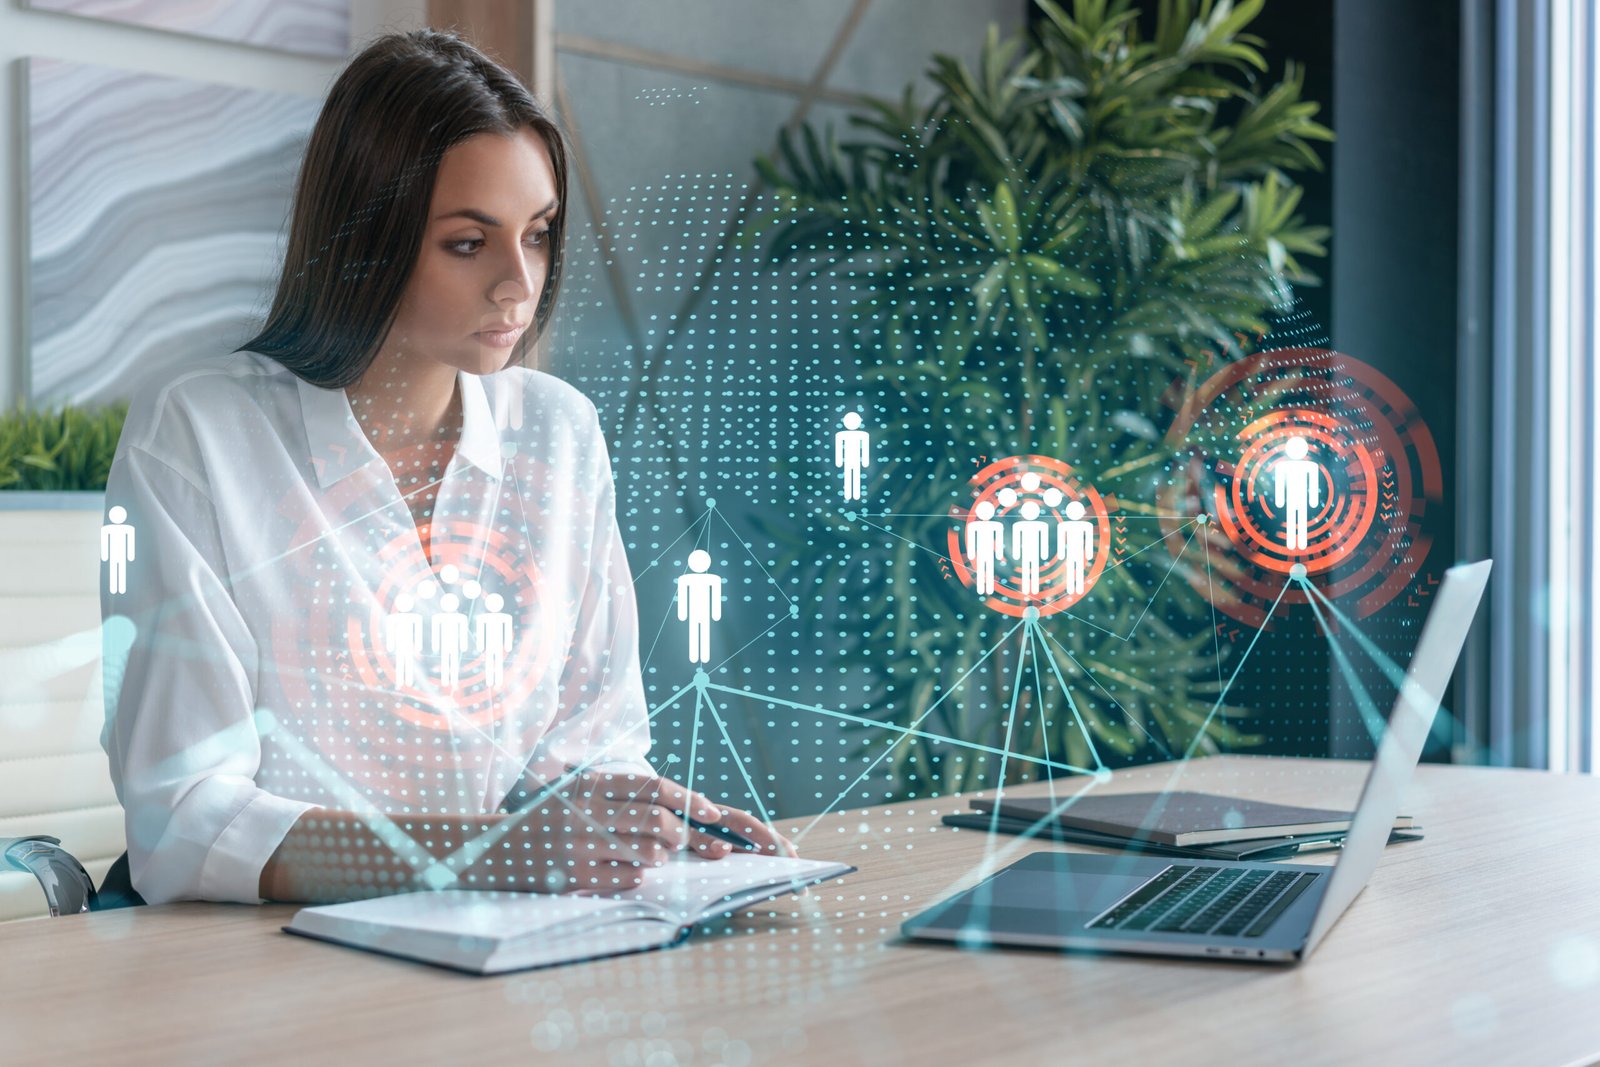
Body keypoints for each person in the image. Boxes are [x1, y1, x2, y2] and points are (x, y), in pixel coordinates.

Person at [99, 29, 794, 909]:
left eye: (538, 235)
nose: (519, 283)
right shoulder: (201, 433)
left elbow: (592, 746)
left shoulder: (560, 431)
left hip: (510, 948)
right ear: (366, 236)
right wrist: (491, 850)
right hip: (270, 975)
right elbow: (184, 825)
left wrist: (640, 826)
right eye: (469, 243)